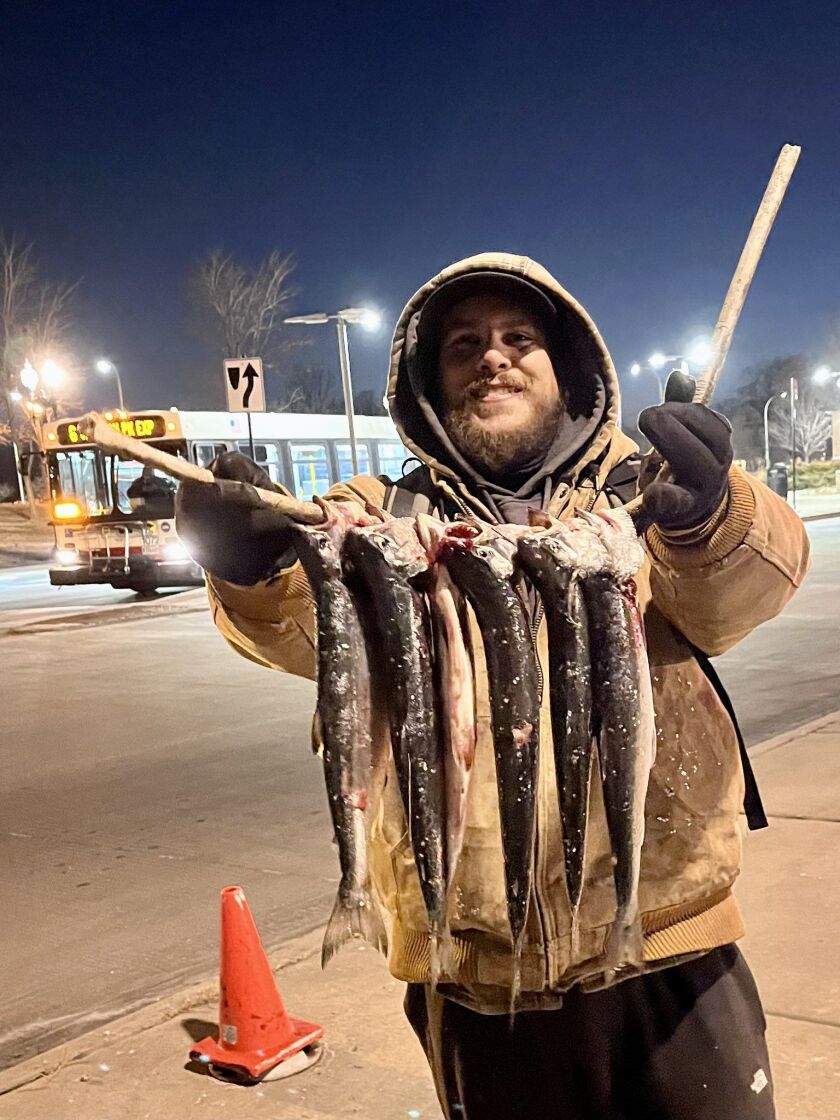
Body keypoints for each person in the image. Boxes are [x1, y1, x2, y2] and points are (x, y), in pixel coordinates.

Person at [176, 254, 810, 1119]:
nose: (493, 358)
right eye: (464, 345)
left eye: (520, 340)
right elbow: (306, 635)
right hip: (474, 975)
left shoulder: (638, 491)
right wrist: (250, 568)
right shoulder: (381, 517)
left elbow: (745, 592)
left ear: (568, 368)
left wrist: (710, 513)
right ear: (428, 384)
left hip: (671, 957)